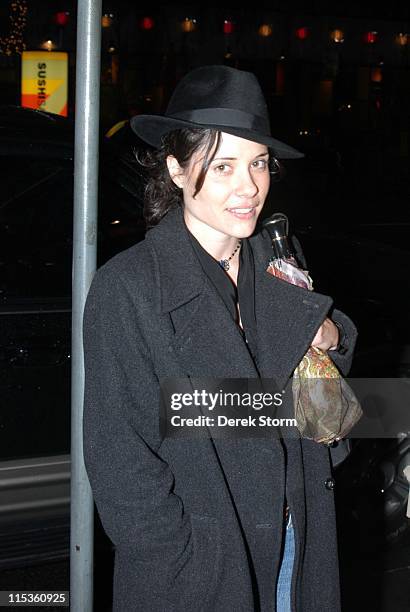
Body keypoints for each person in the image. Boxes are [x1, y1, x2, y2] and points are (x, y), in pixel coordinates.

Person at [83, 65, 357, 612]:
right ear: (178, 170)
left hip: (296, 541)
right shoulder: (130, 288)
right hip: (205, 567)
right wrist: (182, 559)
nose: (249, 187)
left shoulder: (277, 257)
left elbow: (306, 402)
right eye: (224, 166)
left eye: (258, 164)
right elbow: (121, 460)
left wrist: (330, 335)